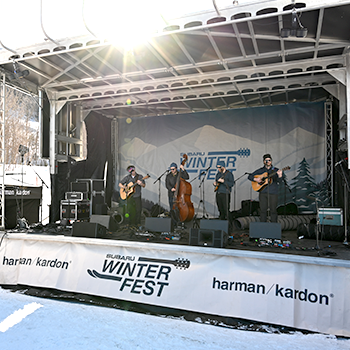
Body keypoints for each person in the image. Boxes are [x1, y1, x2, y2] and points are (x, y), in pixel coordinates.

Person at [248, 154, 282, 223]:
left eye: (269, 160)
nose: (268, 161)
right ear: (264, 161)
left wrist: (280, 175)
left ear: (271, 161)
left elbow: (280, 181)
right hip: (263, 193)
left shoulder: (275, 170)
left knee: (273, 210)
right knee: (263, 210)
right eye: (266, 160)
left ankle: (273, 227)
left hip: (273, 193)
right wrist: (256, 179)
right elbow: (250, 176)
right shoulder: (260, 171)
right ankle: (263, 226)